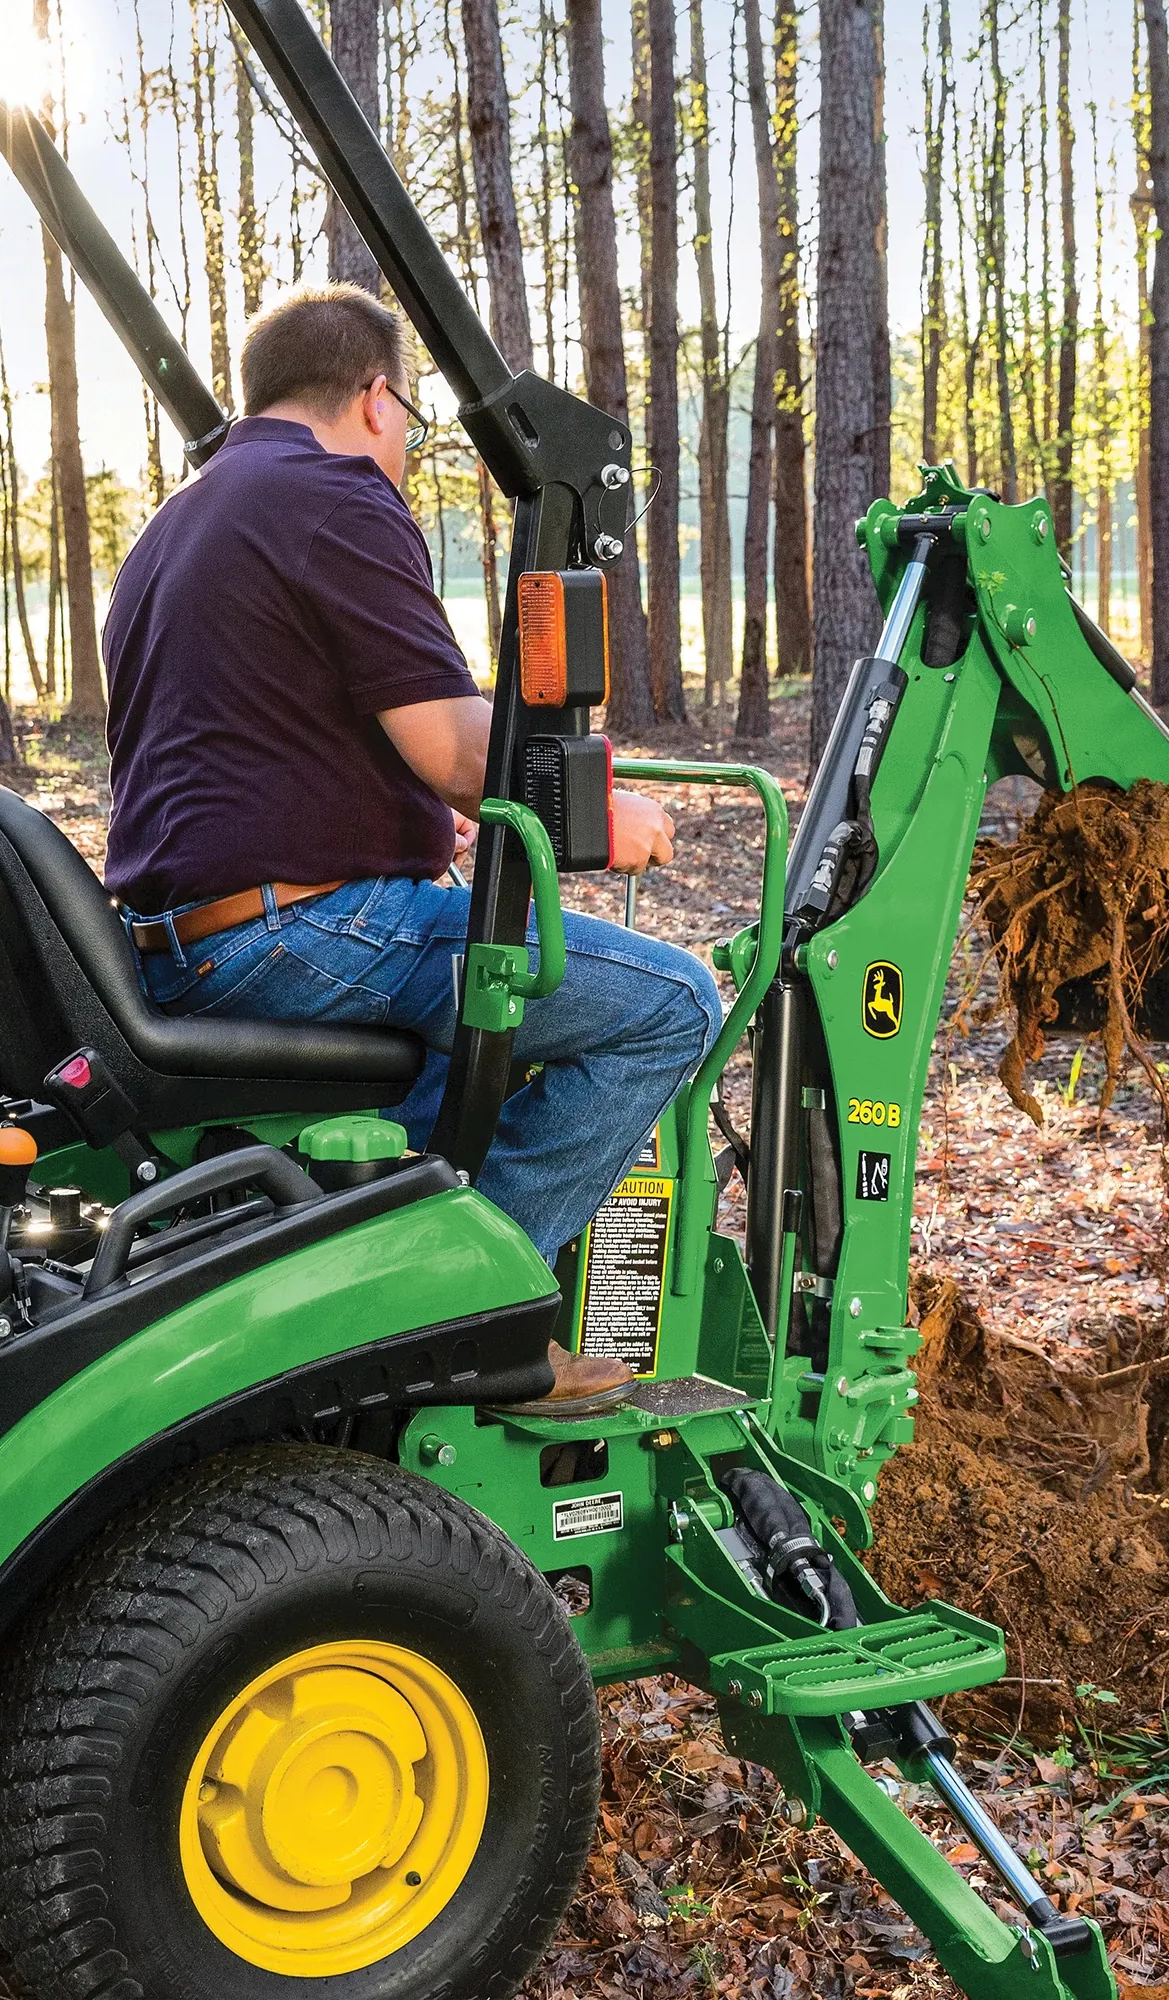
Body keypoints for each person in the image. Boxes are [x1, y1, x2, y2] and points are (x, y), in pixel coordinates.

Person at [102, 284, 722, 1411]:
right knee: (669, 1003)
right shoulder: (334, 494)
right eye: (411, 427)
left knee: (451, 1081)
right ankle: (476, 1318)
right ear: (377, 398)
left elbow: (237, 742)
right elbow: (447, 744)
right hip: (298, 937)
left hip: (184, 939)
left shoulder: (175, 523)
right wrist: (593, 807)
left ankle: (366, 1301)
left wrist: (371, 814)